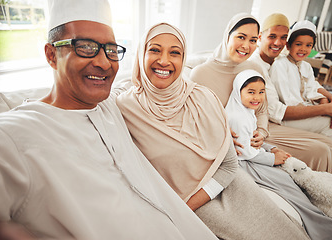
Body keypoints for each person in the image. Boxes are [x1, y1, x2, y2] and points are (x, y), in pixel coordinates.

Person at [0, 1, 220, 239]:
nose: (103, 62)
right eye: (86, 47)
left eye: (111, 50)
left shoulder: (111, 106)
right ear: (51, 55)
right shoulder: (11, 136)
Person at [117, 22, 310, 240]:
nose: (164, 60)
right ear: (140, 54)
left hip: (227, 186)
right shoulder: (124, 108)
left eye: (175, 53)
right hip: (185, 204)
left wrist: (187, 206)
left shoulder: (203, 98)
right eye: (154, 50)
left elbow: (228, 165)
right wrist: (182, 209)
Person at [226, 68, 332, 240]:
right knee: (286, 183)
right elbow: (246, 153)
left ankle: (325, 210)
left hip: (254, 156)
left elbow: (252, 141)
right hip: (246, 164)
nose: (257, 97)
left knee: (293, 178)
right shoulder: (237, 117)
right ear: (238, 92)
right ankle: (318, 223)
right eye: (251, 92)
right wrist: (272, 158)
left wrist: (271, 148)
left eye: (261, 92)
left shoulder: (247, 111)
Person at [250, 13, 332, 174]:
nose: (278, 42)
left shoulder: (291, 61)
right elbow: (275, 110)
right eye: (272, 36)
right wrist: (328, 109)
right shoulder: (260, 66)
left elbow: (312, 85)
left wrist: (328, 99)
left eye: (283, 37)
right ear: (260, 37)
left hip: (291, 111)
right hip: (270, 121)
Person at [269, 20, 332, 175]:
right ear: (288, 46)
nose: (303, 49)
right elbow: (289, 101)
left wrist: (326, 102)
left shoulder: (306, 66)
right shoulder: (280, 65)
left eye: (308, 45)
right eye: (298, 44)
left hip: (307, 109)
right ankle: (331, 171)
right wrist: (327, 111)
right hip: (291, 117)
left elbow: (313, 88)